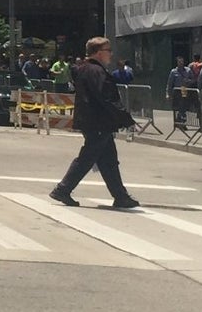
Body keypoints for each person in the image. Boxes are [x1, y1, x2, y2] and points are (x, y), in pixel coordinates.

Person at [49, 37, 139, 209]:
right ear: (98, 53)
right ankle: (62, 189)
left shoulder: (85, 69)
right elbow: (106, 98)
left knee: (109, 160)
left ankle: (120, 196)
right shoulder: (96, 72)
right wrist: (125, 118)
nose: (111, 54)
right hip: (97, 121)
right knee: (87, 157)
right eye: (108, 50)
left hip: (93, 121)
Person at [167, 55, 194, 131]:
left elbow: (193, 79)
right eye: (179, 62)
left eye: (182, 61)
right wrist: (168, 94)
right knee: (178, 107)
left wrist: (188, 81)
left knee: (184, 107)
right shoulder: (173, 72)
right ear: (177, 63)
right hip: (177, 92)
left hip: (185, 90)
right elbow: (169, 83)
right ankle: (179, 122)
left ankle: (181, 122)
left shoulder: (188, 70)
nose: (181, 63)